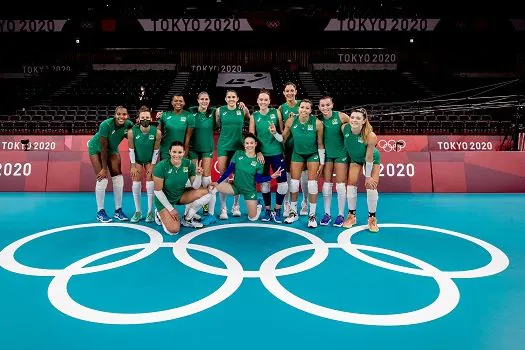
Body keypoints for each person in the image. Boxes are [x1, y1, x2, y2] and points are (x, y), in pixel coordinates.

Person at [210, 133, 284, 221]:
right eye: (247, 143)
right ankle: (210, 214)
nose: (249, 145)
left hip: (250, 191)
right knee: (211, 187)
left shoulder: (259, 161)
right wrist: (217, 182)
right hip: (235, 187)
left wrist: (271, 176)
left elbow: (258, 179)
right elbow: (228, 172)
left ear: (255, 144)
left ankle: (259, 204)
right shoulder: (238, 154)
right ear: (244, 144)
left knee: (252, 218)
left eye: (251, 143)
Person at [280, 99, 325, 228]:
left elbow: (321, 144)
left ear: (311, 111)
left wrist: (322, 162)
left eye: (307, 108)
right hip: (297, 154)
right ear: (298, 108)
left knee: (312, 184)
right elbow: (282, 138)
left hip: (313, 154)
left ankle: (312, 215)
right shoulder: (290, 121)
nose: (304, 110)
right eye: (302, 107)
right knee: (294, 183)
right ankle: (293, 213)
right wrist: (274, 133)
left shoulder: (317, 123)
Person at [153, 141, 212, 235]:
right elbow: (157, 191)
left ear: (184, 153)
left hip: (180, 196)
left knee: (208, 192)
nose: (177, 155)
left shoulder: (188, 164)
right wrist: (170, 209)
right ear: (169, 152)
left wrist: (198, 175)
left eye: (180, 152)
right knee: (173, 231)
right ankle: (159, 213)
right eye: (174, 152)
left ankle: (187, 219)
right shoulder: (161, 166)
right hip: (163, 200)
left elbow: (196, 186)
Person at [88, 105, 134, 223]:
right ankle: (100, 212)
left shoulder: (128, 124)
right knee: (102, 179)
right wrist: (104, 168)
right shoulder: (106, 125)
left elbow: (136, 133)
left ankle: (118, 211)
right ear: (115, 115)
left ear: (127, 116)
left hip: (112, 150)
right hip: (97, 149)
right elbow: (103, 148)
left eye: (124, 114)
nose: (121, 117)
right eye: (119, 114)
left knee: (118, 179)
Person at [249, 89, 288, 223]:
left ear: (269, 101)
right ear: (257, 101)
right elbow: (251, 137)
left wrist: (274, 132)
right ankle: (267, 209)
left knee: (283, 184)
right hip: (262, 155)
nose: (263, 102)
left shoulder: (276, 112)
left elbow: (282, 136)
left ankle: (277, 210)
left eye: (266, 100)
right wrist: (258, 151)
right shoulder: (254, 116)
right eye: (261, 99)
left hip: (277, 153)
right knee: (264, 184)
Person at [341, 107, 380, 232]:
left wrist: (367, 176)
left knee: (371, 186)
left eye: (358, 118)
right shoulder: (344, 128)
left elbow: (369, 158)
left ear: (364, 121)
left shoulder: (370, 136)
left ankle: (372, 218)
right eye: (352, 117)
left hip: (372, 159)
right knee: (351, 185)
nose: (354, 120)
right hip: (355, 158)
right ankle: (352, 216)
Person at [214, 89, 251, 219]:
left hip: (238, 146)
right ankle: (223, 209)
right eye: (228, 97)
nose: (231, 99)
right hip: (223, 145)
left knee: (238, 177)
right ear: (225, 99)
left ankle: (236, 206)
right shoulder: (220, 111)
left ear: (237, 98)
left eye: (233, 97)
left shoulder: (243, 110)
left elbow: (250, 121)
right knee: (223, 176)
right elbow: (218, 124)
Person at [318, 96, 351, 227]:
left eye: (327, 105)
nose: (325, 108)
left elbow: (355, 125)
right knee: (326, 185)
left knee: (341, 185)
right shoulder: (318, 121)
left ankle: (341, 214)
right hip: (327, 156)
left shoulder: (342, 117)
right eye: (322, 105)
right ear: (319, 107)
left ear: (332, 105)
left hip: (341, 154)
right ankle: (327, 214)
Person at [277, 82, 309, 217]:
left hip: (304, 146)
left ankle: (305, 202)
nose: (290, 93)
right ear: (284, 93)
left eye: (292, 90)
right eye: (287, 91)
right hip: (289, 147)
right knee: (289, 177)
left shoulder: (302, 104)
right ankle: (287, 204)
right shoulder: (281, 108)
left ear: (296, 91)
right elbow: (281, 130)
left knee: (305, 177)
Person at [127, 106, 161, 223]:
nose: (145, 119)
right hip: (136, 160)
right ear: (138, 119)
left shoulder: (157, 132)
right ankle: (138, 211)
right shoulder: (131, 132)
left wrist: (152, 166)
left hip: (149, 160)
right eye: (142, 117)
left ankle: (150, 211)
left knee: (150, 183)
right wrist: (132, 166)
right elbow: (131, 150)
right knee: (136, 183)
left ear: (151, 118)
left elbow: (156, 151)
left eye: (147, 117)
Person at [188, 91, 217, 224]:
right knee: (195, 180)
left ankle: (210, 211)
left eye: (207, 99)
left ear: (209, 101)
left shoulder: (213, 112)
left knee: (206, 179)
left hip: (207, 150)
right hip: (193, 150)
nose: (204, 101)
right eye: (202, 99)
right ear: (198, 100)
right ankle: (194, 205)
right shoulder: (191, 111)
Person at [157, 94, 195, 161]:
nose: (178, 103)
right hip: (165, 151)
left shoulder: (189, 116)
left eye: (180, 101)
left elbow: (188, 138)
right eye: (175, 101)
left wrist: (185, 153)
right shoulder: (165, 115)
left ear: (184, 103)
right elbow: (158, 133)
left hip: (180, 152)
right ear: (172, 102)